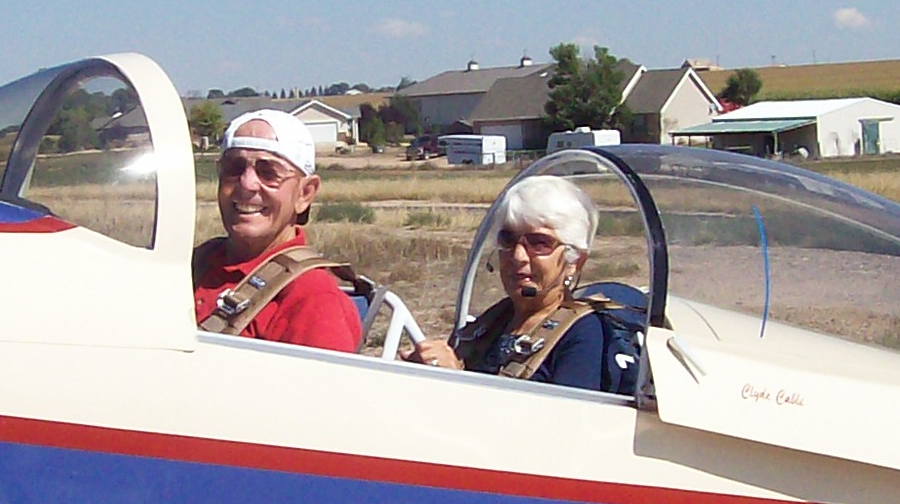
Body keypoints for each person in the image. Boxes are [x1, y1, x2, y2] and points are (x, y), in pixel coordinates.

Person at [405, 175, 642, 395]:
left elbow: (564, 431)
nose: (518, 256)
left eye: (539, 243)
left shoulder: (583, 334)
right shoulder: (495, 321)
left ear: (574, 261)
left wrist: (458, 382)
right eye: (508, 239)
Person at [192, 110, 364, 352]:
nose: (247, 183)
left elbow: (325, 389)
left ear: (305, 194)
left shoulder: (313, 298)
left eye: (268, 172)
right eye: (234, 168)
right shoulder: (194, 264)